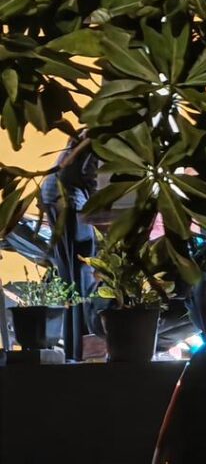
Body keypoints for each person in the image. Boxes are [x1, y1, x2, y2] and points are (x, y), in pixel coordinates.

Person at [39, 131, 98, 361]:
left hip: (55, 194)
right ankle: (82, 346)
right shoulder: (101, 135)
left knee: (70, 278)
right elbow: (88, 176)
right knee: (82, 274)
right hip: (69, 198)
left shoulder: (87, 131)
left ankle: (74, 349)